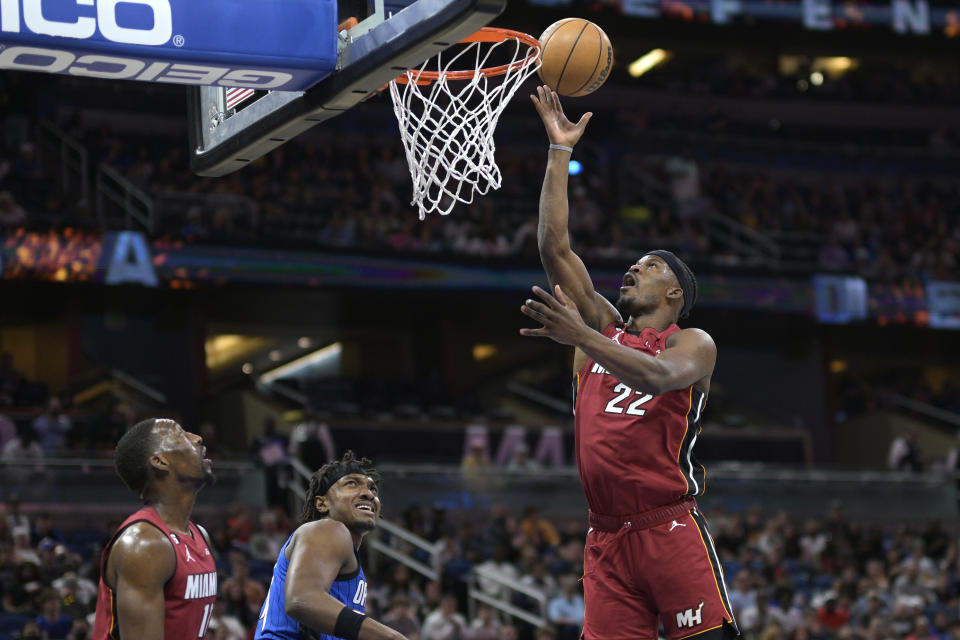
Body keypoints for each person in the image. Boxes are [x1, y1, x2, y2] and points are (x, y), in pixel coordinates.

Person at [521, 86, 738, 640]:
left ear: (674, 295)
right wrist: (559, 150)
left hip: (667, 524)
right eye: (635, 264)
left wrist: (580, 337)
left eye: (650, 266)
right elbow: (555, 248)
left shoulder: (691, 343)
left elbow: (658, 378)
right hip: (605, 537)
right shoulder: (600, 326)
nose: (634, 269)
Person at [255, 451, 408, 640]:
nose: (368, 494)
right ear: (322, 503)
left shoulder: (340, 551)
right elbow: (302, 599)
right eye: (352, 483)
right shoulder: (329, 529)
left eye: (373, 489)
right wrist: (392, 637)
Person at [91, 418, 217, 640]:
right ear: (159, 461)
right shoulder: (144, 545)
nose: (197, 438)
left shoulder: (199, 535)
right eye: (180, 434)